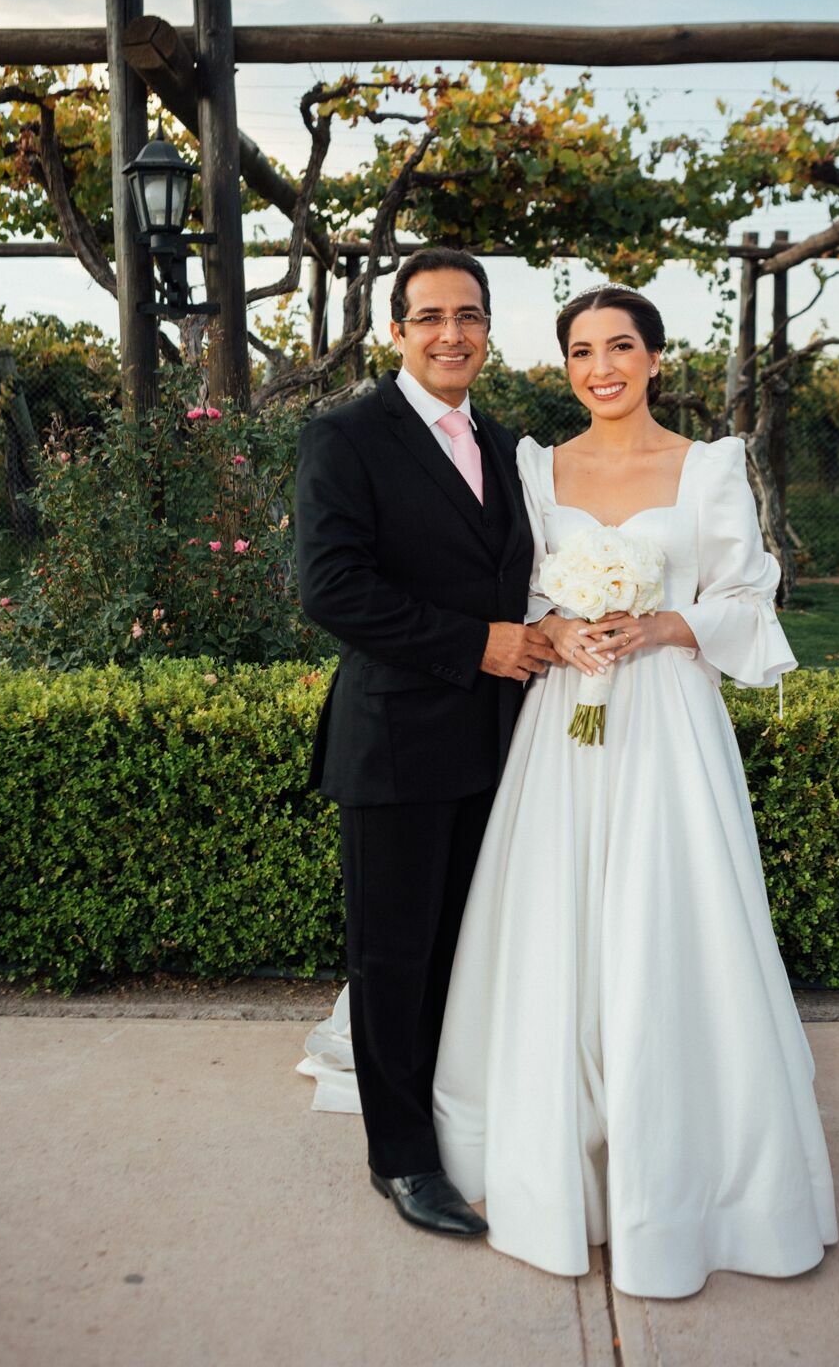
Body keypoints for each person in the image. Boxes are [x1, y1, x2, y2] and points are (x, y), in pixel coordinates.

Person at [430, 283, 838, 1297]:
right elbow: (518, 585)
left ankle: (688, 1174)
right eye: (580, 350)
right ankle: (552, 1150)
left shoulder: (707, 467)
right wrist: (560, 626)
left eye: (620, 346)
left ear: (655, 359)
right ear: (564, 365)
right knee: (556, 922)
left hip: (665, 724)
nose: (600, 366)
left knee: (668, 922)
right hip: (563, 726)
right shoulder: (534, 466)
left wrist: (659, 624)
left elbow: (746, 593)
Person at [294, 246, 556, 1239]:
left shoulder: (504, 440)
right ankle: (400, 1158)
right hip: (395, 745)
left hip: (499, 745)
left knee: (464, 949)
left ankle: (456, 1118)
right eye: (431, 316)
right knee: (394, 957)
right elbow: (333, 588)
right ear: (395, 329)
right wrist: (476, 644)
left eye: (470, 315)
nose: (452, 333)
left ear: (487, 328)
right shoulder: (345, 437)